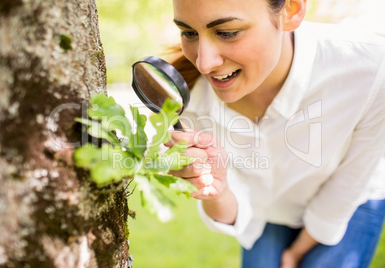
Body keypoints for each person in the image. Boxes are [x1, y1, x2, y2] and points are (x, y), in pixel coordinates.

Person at [163, 0, 385, 267]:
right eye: (189, 33)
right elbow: (237, 203)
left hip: (349, 201)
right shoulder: (190, 102)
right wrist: (217, 189)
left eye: (227, 32)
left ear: (291, 10)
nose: (204, 62)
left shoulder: (369, 70)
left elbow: (346, 187)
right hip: (267, 209)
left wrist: (296, 253)